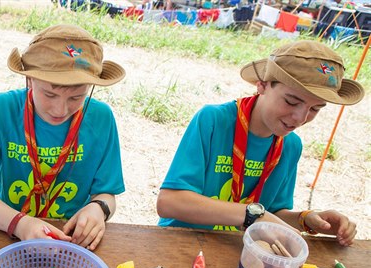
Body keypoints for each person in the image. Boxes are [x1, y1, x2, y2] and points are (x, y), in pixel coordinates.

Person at [156, 40, 364, 246]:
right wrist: (251, 215)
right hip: (181, 242)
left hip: (237, 250)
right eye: (291, 101)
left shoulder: (290, 146)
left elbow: (272, 213)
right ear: (262, 84)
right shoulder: (214, 121)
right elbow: (170, 203)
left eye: (315, 109)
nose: (300, 117)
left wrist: (306, 219)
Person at [0, 24, 126, 251]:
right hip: (6, 228)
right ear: (29, 80)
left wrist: (99, 208)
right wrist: (20, 224)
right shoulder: (3, 109)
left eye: (77, 97)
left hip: (69, 238)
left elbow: (107, 193)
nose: (60, 109)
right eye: (49, 94)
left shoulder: (102, 118)